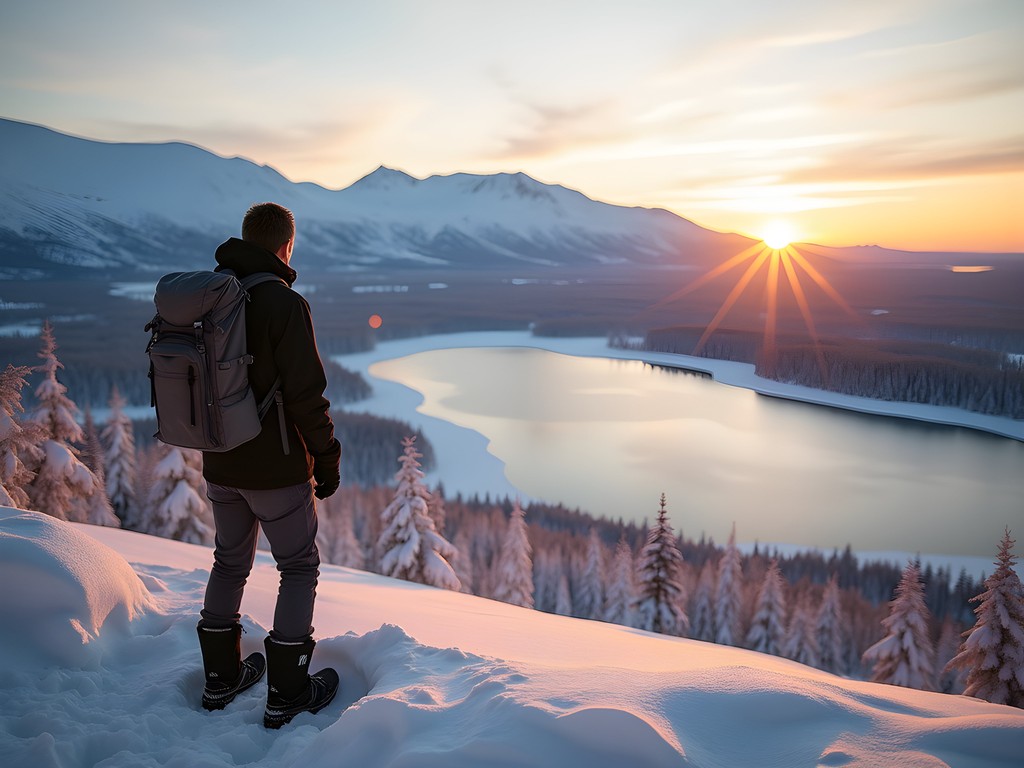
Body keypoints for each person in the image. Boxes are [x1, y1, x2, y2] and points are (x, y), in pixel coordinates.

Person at [195, 202, 342, 728]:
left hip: (219, 463)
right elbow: (306, 396)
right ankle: (288, 691)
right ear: (286, 245)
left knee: (229, 562)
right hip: (276, 469)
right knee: (298, 567)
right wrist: (326, 458)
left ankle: (219, 679)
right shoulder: (284, 304)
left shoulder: (208, 298)